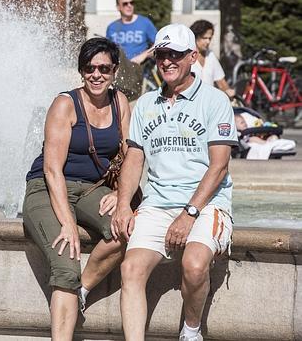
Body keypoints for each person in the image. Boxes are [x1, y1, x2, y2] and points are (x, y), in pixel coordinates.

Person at [111, 24, 237, 341]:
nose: (167, 61)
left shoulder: (215, 100)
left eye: (176, 55)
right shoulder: (146, 105)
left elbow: (219, 167)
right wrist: (124, 204)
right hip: (157, 205)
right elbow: (133, 159)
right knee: (130, 269)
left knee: (194, 266)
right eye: (162, 54)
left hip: (206, 205)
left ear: (193, 57)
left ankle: (191, 332)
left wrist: (188, 214)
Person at [22, 37, 130, 339]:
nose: (96, 74)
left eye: (104, 68)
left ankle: (81, 290)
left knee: (126, 228)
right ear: (81, 70)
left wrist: (122, 195)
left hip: (91, 187)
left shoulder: (119, 103)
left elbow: (130, 155)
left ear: (115, 70)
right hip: (47, 188)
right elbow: (51, 169)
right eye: (88, 68)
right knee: (66, 262)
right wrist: (68, 223)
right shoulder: (65, 104)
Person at [106, 0, 157, 65]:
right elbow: (107, 50)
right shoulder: (112, 27)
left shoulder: (145, 23)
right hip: (119, 68)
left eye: (131, 3)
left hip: (141, 68)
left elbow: (158, 44)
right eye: (125, 4)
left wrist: (144, 55)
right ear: (118, 7)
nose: (129, 5)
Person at [190, 20, 235, 98]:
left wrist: (229, 93)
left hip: (210, 104)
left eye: (210, 38)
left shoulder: (210, 55)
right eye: (204, 38)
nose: (208, 41)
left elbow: (221, 82)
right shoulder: (186, 57)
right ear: (195, 37)